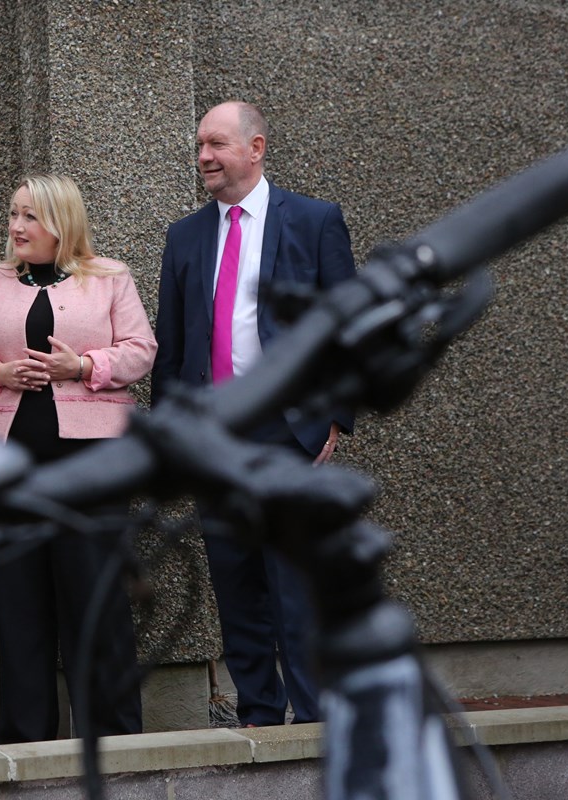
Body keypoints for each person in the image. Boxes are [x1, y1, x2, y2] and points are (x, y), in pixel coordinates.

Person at [152, 101, 357, 727]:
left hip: (285, 430)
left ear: (256, 147)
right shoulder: (185, 235)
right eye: (199, 147)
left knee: (293, 584)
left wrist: (333, 415)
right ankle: (259, 716)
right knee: (235, 583)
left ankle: (316, 721)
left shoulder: (315, 222)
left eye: (216, 144)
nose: (204, 158)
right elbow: (174, 341)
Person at [0, 174, 156, 743]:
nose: (16, 227)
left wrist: (82, 367)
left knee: (97, 597)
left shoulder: (109, 279)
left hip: (91, 464)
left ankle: (111, 736)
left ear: (63, 223)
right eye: (14, 214)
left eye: (30, 217)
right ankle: (25, 736)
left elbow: (140, 351)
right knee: (19, 596)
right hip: (9, 463)